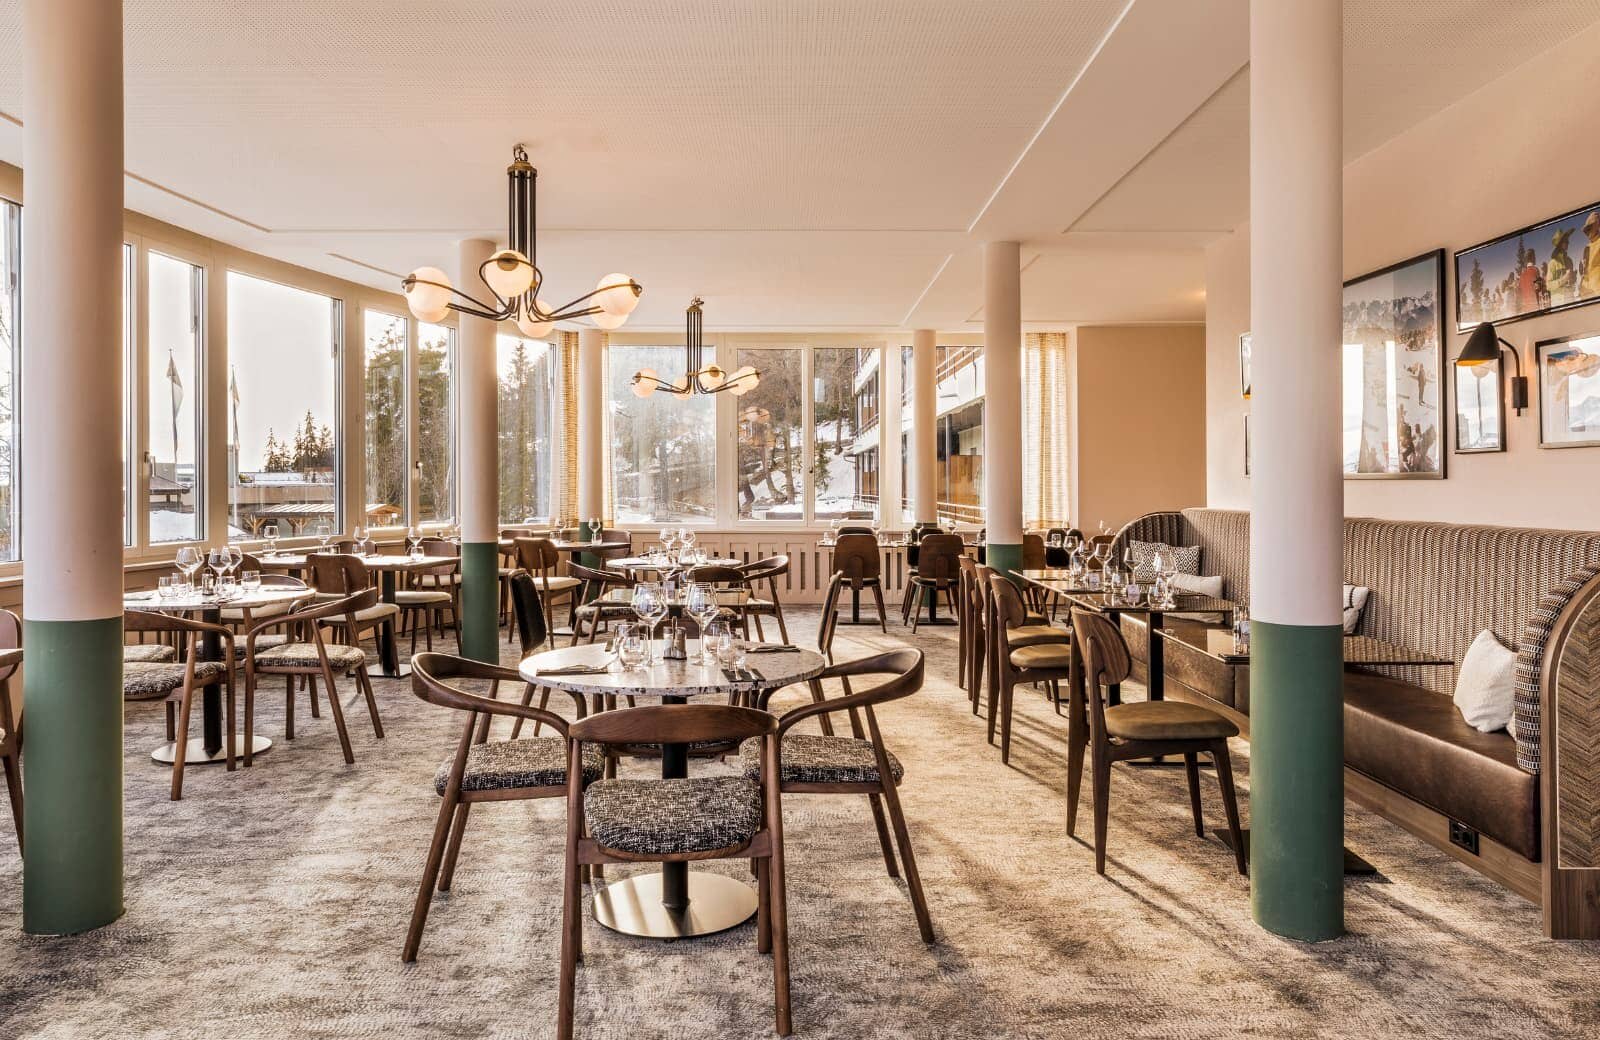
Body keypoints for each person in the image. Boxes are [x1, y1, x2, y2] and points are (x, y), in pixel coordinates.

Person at [1580, 211, 1600, 300]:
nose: (1587, 233)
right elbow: (1585, 271)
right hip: (1587, 292)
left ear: (1596, 226)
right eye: (1586, 230)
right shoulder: (1586, 248)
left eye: (1589, 228)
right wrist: (1582, 287)